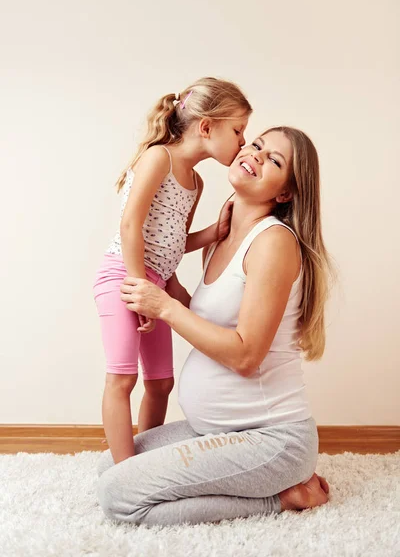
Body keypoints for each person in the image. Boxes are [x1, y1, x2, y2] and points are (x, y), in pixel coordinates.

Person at [97, 126, 332, 526]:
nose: (256, 154)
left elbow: (244, 355)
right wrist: (162, 280)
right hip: (218, 431)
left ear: (285, 194)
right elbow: (205, 323)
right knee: (112, 465)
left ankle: (282, 497)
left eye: (274, 160)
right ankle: (239, 480)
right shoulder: (221, 239)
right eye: (256, 144)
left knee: (118, 495)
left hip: (271, 440)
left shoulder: (274, 242)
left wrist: (166, 306)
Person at [93, 77, 252, 464]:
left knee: (161, 382)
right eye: (238, 130)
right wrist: (139, 288)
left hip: (156, 286)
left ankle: (144, 462)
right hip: (124, 278)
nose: (244, 141)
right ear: (206, 126)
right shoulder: (158, 158)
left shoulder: (195, 183)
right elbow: (131, 225)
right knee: (123, 378)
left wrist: (215, 231)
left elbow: (173, 242)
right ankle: (123, 471)